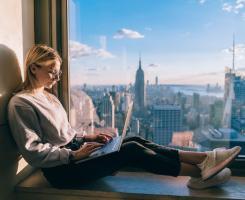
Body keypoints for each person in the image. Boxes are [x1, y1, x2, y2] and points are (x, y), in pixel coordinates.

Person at [8, 44, 242, 190]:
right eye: (52, 72)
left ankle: (204, 158)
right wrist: (74, 154)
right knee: (130, 151)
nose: (57, 78)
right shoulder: (21, 103)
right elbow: (33, 151)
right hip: (63, 172)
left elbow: (64, 132)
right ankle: (202, 172)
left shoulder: (48, 97)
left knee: (131, 140)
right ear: (33, 68)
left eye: (59, 72)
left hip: (75, 157)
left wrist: (88, 137)